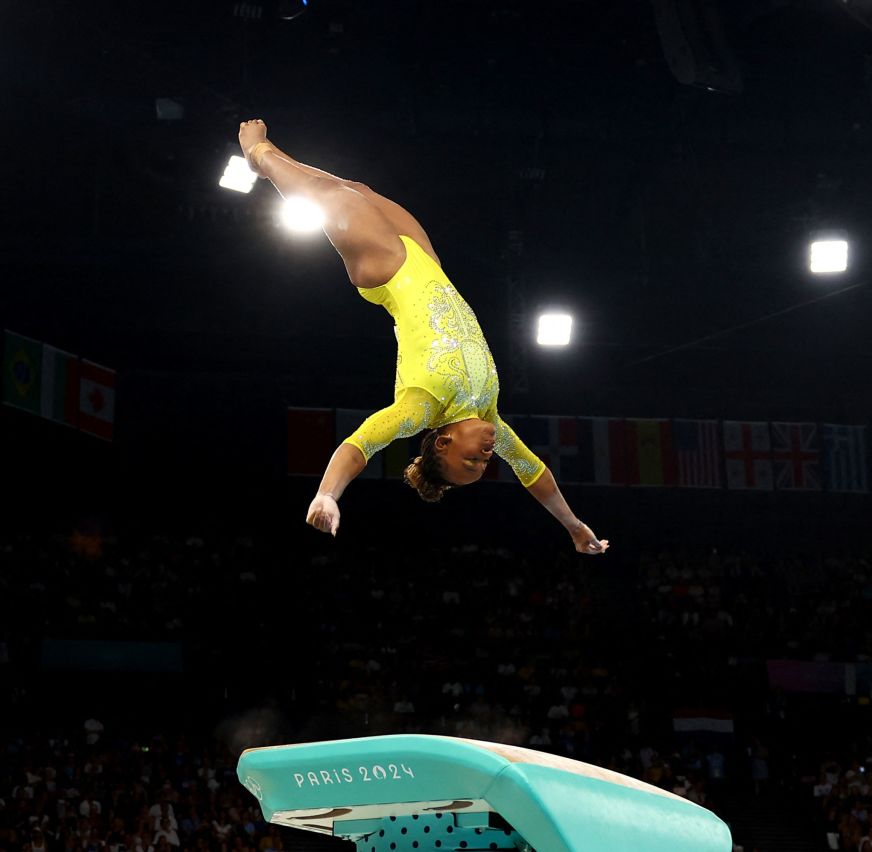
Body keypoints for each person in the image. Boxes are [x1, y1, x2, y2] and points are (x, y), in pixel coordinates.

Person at [238, 120, 607, 553]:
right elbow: (534, 473)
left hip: (388, 271)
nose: (485, 456)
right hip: (425, 262)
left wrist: (327, 495)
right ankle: (271, 160)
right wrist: (573, 525)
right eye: (483, 464)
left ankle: (258, 153)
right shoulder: (488, 415)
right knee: (354, 188)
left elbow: (360, 445)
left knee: (331, 198)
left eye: (469, 460)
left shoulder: (421, 406)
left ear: (444, 442)